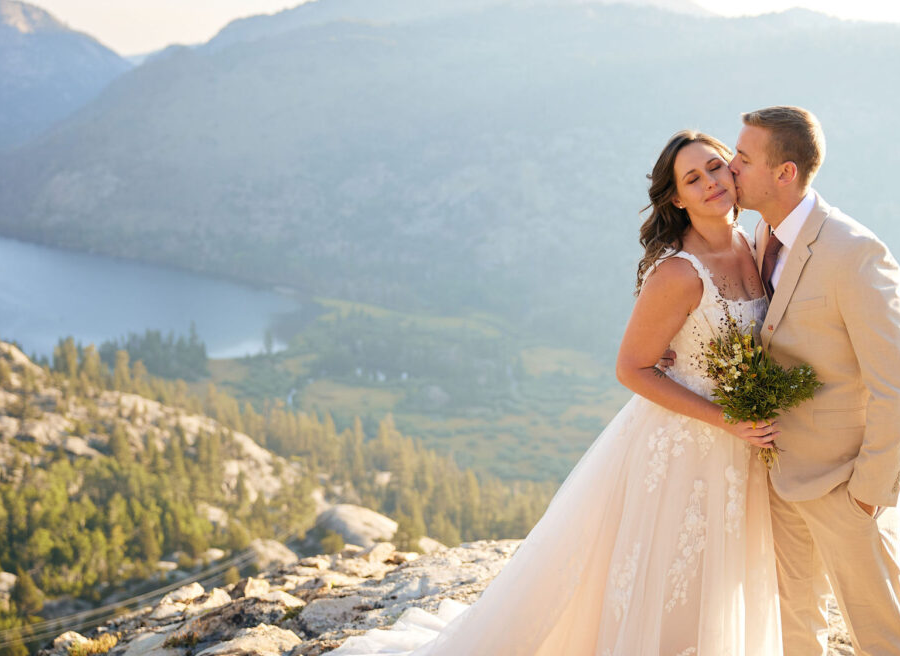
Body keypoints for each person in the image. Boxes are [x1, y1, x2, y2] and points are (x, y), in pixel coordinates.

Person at [329, 130, 784, 655]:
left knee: (719, 577)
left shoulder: (753, 243)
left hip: (738, 449)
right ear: (677, 198)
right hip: (686, 445)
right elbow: (632, 368)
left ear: (734, 169)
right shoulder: (679, 273)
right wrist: (726, 419)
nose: (708, 183)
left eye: (714, 167)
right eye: (691, 178)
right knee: (669, 576)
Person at [728, 106, 900, 656]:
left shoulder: (855, 253)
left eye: (743, 158)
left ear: (784, 173)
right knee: (795, 631)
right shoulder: (763, 232)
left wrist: (866, 496)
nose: (730, 166)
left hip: (844, 486)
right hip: (781, 474)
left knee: (882, 641)